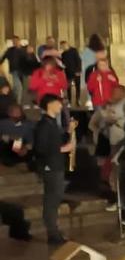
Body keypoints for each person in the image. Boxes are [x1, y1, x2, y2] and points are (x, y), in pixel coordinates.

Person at [33, 95, 75, 245]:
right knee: (52, 199)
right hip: (50, 166)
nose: (61, 106)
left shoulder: (52, 123)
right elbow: (41, 148)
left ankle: (54, 231)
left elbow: (55, 140)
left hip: (56, 165)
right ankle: (53, 233)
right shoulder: (44, 124)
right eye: (58, 103)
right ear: (50, 105)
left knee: (55, 198)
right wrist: (62, 149)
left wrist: (68, 132)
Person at [0, 103, 34, 168]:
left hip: (21, 146)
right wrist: (9, 137)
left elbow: (30, 141)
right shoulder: (2, 124)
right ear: (9, 113)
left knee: (19, 142)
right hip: (7, 146)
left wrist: (25, 148)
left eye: (19, 112)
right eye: (15, 112)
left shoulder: (27, 125)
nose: (18, 114)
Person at [2, 36, 29, 105]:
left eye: (16, 41)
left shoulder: (24, 50)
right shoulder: (9, 50)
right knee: (19, 87)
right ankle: (18, 104)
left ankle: (13, 99)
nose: (15, 43)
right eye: (13, 41)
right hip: (14, 71)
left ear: (19, 41)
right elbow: (2, 58)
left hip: (23, 72)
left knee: (20, 88)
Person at [60, 40, 82, 105]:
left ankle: (77, 100)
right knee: (68, 87)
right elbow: (63, 63)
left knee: (77, 86)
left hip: (76, 72)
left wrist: (78, 70)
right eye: (62, 46)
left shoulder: (74, 50)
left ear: (67, 44)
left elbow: (78, 60)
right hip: (68, 73)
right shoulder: (63, 54)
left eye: (64, 46)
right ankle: (69, 100)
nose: (63, 47)